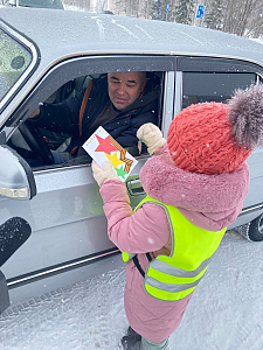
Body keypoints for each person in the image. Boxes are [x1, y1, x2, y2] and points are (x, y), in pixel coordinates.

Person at [91, 83, 263, 350]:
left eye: (174, 147)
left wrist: (111, 186)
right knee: (158, 324)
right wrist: (159, 147)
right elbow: (193, 170)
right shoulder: (226, 192)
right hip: (177, 287)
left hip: (154, 293)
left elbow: (122, 236)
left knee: (152, 331)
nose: (170, 151)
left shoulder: (163, 215)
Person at [29, 71, 159, 163]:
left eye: (130, 85)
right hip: (74, 158)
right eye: (115, 81)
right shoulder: (97, 90)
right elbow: (67, 114)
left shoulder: (145, 125)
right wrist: (38, 112)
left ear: (142, 85)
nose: (120, 91)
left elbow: (113, 163)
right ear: (107, 77)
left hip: (87, 171)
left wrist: (63, 165)